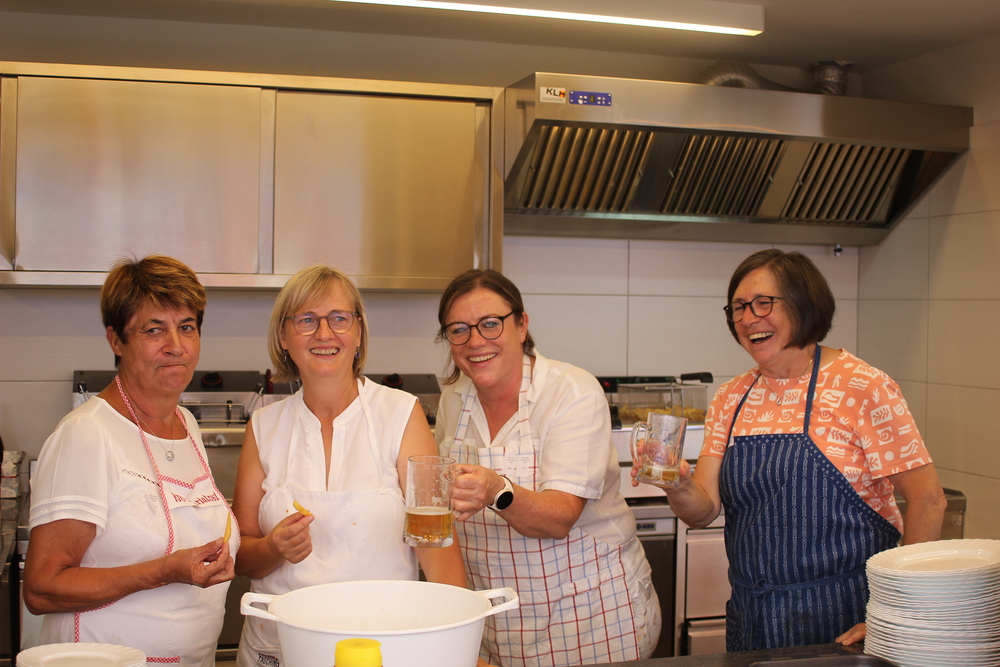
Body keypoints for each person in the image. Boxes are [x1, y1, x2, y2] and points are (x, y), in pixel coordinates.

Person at [637, 249, 947, 652]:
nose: (748, 318)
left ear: (804, 303)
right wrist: (678, 485)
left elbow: (928, 499)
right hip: (753, 617)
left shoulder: (862, 386)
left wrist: (896, 611)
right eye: (738, 307)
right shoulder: (731, 397)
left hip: (846, 616)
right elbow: (703, 511)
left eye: (763, 303)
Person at [232, 265, 468, 667]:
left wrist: (456, 646)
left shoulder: (401, 413)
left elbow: (436, 543)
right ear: (284, 337)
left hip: (381, 646)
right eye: (306, 320)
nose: (324, 333)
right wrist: (273, 548)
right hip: (282, 648)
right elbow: (241, 557)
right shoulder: (264, 426)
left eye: (339, 318)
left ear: (358, 332)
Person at [435, 269, 661, 667]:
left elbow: (559, 517)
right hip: (498, 617)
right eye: (459, 330)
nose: (475, 341)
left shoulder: (570, 392)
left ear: (522, 325)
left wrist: (496, 490)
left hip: (588, 614)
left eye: (490, 324)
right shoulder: (454, 398)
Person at [24, 255, 236, 666]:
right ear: (116, 340)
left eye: (186, 327)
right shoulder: (87, 433)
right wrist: (163, 571)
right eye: (154, 329)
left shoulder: (186, 424)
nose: (176, 346)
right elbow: (42, 587)